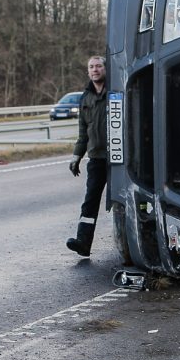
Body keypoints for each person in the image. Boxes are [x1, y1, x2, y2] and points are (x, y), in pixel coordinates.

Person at [66, 55, 109, 257]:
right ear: (88, 71)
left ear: (105, 68)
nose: (95, 70)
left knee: (123, 201)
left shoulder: (116, 92)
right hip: (97, 159)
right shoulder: (85, 98)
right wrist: (76, 156)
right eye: (91, 67)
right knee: (90, 200)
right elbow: (83, 133)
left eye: (98, 66)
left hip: (119, 159)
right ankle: (83, 242)